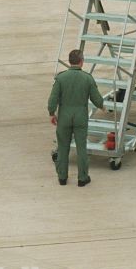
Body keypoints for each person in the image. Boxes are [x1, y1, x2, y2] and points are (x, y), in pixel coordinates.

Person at [48, 48, 103, 186]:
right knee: (81, 148)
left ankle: (62, 177)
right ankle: (82, 178)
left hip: (64, 117)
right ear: (81, 62)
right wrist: (103, 106)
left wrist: (51, 113)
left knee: (63, 147)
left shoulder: (60, 78)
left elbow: (52, 100)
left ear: (69, 61)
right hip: (80, 117)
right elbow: (97, 100)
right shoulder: (87, 78)